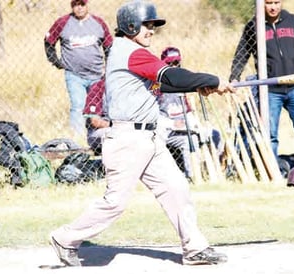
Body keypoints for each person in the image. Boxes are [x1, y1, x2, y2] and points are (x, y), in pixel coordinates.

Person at [49, 0, 236, 267]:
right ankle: (65, 238)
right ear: (130, 25)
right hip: (127, 140)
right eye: (147, 25)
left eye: (153, 25)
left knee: (176, 188)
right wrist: (212, 80)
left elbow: (164, 84)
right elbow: (171, 76)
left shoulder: (130, 52)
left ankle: (194, 248)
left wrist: (201, 87)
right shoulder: (132, 52)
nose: (151, 30)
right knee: (115, 203)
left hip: (147, 138)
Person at [229, 0, 294, 181]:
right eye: (268, 3)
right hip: (270, 91)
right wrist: (234, 77)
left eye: (276, 2)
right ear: (261, 5)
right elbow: (242, 53)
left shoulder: (292, 21)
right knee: (270, 135)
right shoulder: (253, 26)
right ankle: (273, 173)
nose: (273, 7)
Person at [44, 0, 113, 137]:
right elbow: (48, 41)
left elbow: (108, 46)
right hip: (74, 75)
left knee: (98, 109)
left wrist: (109, 67)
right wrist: (56, 61)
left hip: (97, 75)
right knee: (78, 106)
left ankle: (98, 136)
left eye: (82, 4)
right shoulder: (63, 23)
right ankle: (78, 139)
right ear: (72, 6)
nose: (79, 8)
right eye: (76, 4)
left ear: (87, 5)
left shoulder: (98, 23)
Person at [157, 47, 202, 181]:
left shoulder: (183, 83)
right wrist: (172, 124)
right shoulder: (156, 86)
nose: (173, 67)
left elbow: (188, 112)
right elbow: (151, 115)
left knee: (211, 135)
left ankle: (195, 175)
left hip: (183, 129)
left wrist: (194, 123)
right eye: (169, 64)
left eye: (176, 63)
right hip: (165, 130)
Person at [82, 78, 110, 155]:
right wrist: (116, 125)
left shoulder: (127, 87)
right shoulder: (98, 87)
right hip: (98, 132)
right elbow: (95, 122)